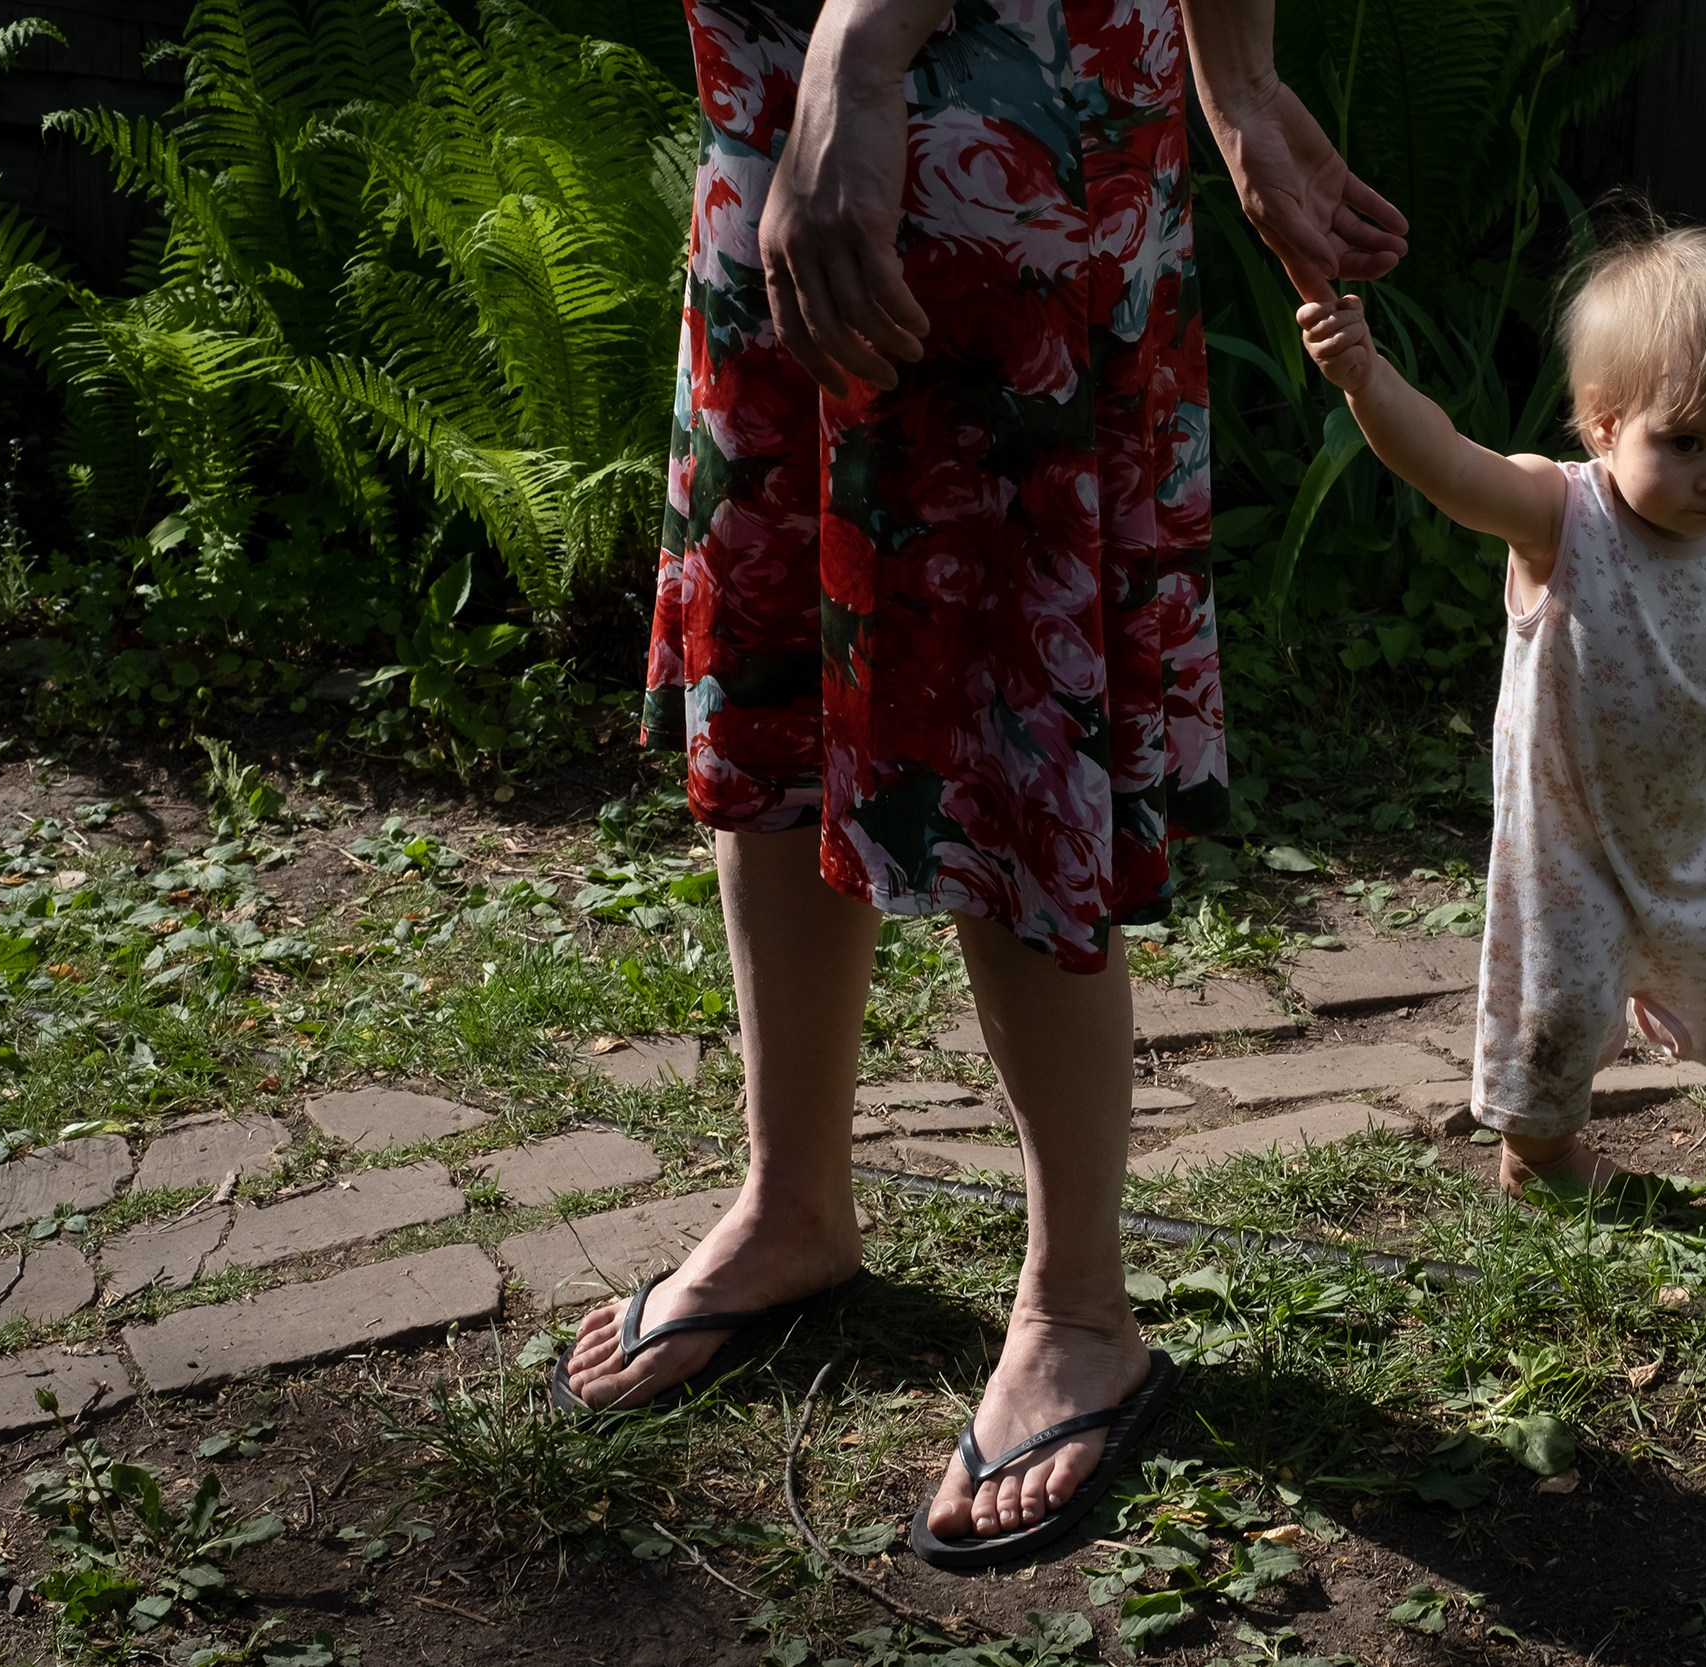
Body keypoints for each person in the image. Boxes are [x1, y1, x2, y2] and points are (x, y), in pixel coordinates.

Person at [551, 0, 1407, 1571]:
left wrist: (867, 49)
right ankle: (793, 1200)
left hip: (981, 136)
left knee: (1013, 713)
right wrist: (1242, 79)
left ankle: (1079, 1306)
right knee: (791, 681)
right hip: (784, 109)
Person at [1296, 221, 1706, 1210]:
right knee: (1560, 1008)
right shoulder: (1560, 517)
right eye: (1684, 442)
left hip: (1698, 824)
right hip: (1570, 841)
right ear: (1601, 422)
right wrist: (1366, 380)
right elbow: (1446, 464)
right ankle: (1540, 1157)